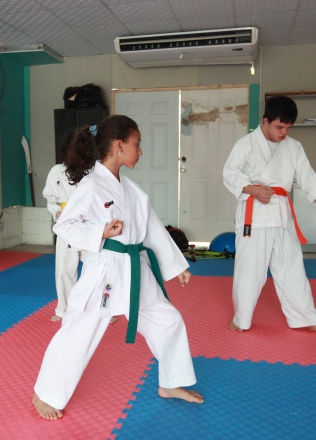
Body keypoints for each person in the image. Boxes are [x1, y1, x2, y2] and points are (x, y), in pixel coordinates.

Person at [32, 116, 203, 420]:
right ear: (118, 146)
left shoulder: (133, 191)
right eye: (137, 145)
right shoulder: (91, 186)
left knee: (169, 321)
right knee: (79, 332)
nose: (140, 151)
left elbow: (152, 230)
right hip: (105, 271)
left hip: (135, 269)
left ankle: (171, 383)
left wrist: (177, 266)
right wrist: (101, 231)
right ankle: (45, 394)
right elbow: (65, 226)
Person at [222, 96, 316, 338]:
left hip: (281, 213)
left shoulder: (294, 147)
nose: (284, 132)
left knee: (292, 267)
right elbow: (229, 172)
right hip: (253, 216)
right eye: (279, 127)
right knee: (250, 269)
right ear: (266, 121)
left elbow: (307, 176)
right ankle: (242, 318)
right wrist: (253, 189)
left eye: (288, 128)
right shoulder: (246, 144)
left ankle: (306, 318)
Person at [42, 131, 81, 322]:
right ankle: (64, 310)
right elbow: (50, 198)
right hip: (66, 226)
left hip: (90, 226)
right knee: (64, 270)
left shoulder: (93, 172)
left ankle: (102, 310)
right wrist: (56, 210)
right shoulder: (56, 171)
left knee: (98, 269)